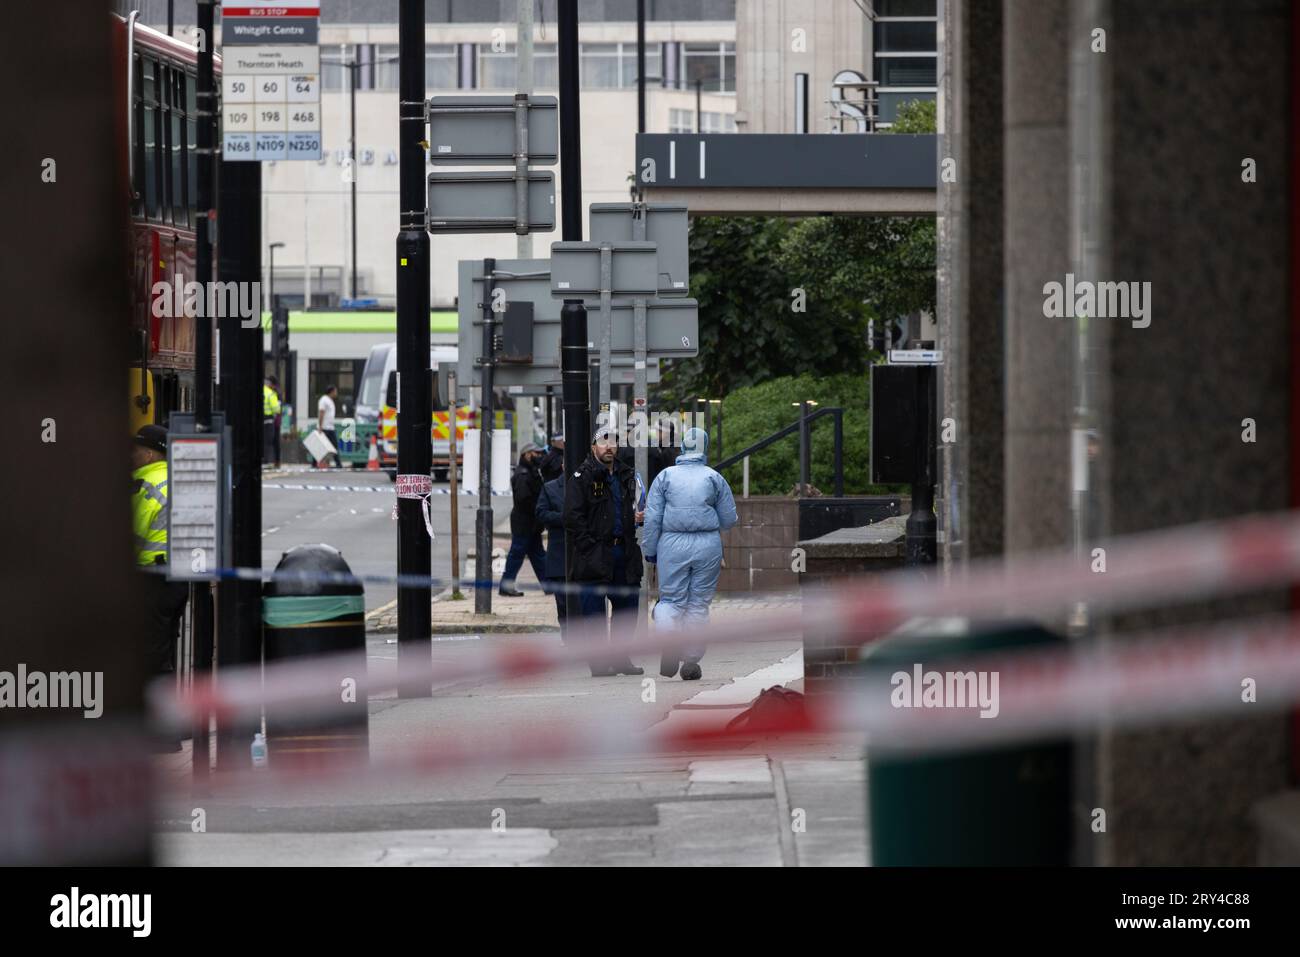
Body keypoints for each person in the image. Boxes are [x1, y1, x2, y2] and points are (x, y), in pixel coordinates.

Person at [641, 426, 738, 681]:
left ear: (682, 446)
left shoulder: (665, 477)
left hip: (671, 543)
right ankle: (692, 661)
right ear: (704, 447)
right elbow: (729, 519)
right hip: (707, 545)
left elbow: (652, 518)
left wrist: (650, 551)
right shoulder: (714, 478)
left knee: (671, 600)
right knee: (698, 604)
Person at [564, 427, 645, 677]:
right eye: (603, 441)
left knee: (628, 608)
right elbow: (572, 517)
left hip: (624, 551)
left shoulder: (626, 474)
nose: (609, 446)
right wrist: (589, 546)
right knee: (594, 613)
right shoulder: (582, 476)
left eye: (613, 442)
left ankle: (620, 658)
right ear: (593, 447)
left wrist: (636, 518)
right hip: (594, 554)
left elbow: (631, 506)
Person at [131, 424, 189, 750]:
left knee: (153, 657)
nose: (132, 455)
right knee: (164, 652)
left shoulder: (146, 484)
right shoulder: (178, 479)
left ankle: (164, 735)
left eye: (137, 449)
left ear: (151, 452)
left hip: (152, 579)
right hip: (177, 578)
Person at [500, 442, 546, 597]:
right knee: (517, 554)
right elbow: (523, 499)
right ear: (527, 454)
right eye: (536, 453)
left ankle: (549, 585)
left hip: (531, 523)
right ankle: (506, 586)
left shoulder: (531, 471)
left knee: (538, 555)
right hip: (524, 522)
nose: (539, 456)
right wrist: (538, 511)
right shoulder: (523, 474)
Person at [535, 474, 567, 633]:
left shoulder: (589, 484)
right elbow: (541, 513)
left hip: (585, 555)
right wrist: (563, 518)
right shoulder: (550, 487)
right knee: (562, 602)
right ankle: (568, 637)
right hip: (559, 555)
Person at [317, 384, 340, 468]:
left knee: (333, 446)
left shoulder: (330, 400)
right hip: (325, 427)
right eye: (335, 391)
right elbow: (321, 413)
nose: (336, 393)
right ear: (332, 391)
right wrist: (320, 426)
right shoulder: (323, 400)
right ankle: (338, 463)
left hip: (330, 427)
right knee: (321, 446)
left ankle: (338, 463)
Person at [262, 376, 281, 466]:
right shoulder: (271, 394)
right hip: (269, 419)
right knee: (268, 441)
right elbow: (276, 409)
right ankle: (266, 459)